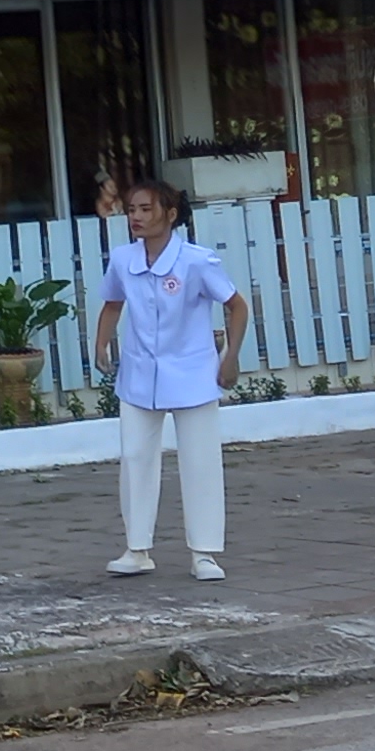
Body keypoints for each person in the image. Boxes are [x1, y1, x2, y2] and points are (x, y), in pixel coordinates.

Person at [92, 176, 248, 582]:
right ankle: (137, 549)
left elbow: (236, 306)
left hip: (193, 375)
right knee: (135, 459)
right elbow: (112, 304)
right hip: (138, 376)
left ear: (170, 214)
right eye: (131, 210)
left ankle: (204, 554)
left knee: (200, 462)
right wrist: (101, 343)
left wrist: (230, 357)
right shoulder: (123, 259)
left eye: (146, 209)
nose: (137, 217)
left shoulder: (197, 261)